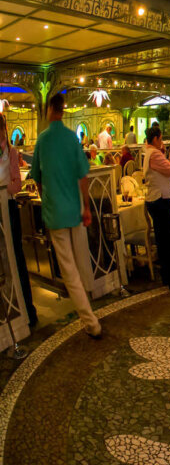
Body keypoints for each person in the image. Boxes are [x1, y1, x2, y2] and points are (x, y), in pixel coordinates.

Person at [29, 93, 102, 338]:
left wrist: (46, 197)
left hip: (56, 213)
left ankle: (91, 322)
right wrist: (87, 207)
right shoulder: (72, 138)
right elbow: (83, 176)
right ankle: (92, 301)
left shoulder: (43, 140)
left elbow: (37, 179)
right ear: (64, 110)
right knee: (82, 262)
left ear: (50, 109)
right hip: (75, 211)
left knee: (69, 271)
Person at [0, 113, 37, 327]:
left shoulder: (12, 152)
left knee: (15, 258)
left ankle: (26, 311)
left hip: (9, 208)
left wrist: (4, 189)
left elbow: (17, 184)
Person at [143, 125, 170, 295]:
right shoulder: (154, 154)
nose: (162, 142)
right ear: (155, 140)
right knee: (168, 242)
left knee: (163, 241)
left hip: (155, 200)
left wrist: (164, 154)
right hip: (160, 200)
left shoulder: (149, 153)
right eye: (161, 139)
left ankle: (166, 276)